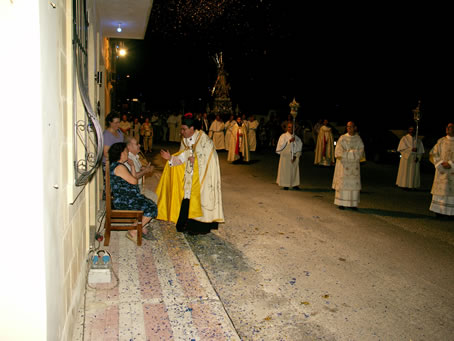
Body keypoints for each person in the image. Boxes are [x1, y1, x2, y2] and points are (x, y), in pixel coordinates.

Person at [157, 113, 224, 235]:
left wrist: (197, 161)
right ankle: (186, 223)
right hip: (189, 177)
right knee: (187, 198)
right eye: (181, 129)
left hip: (202, 178)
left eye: (184, 129)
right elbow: (182, 158)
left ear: (192, 128)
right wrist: (170, 158)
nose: (182, 132)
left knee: (199, 200)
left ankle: (199, 227)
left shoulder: (205, 140)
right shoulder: (185, 140)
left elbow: (211, 160)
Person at [108, 142, 157, 242]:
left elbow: (133, 179)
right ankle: (134, 230)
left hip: (127, 197)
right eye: (126, 151)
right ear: (121, 154)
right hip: (124, 201)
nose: (127, 153)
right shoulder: (119, 167)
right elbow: (134, 181)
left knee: (149, 202)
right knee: (152, 208)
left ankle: (141, 226)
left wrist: (133, 166)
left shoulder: (119, 165)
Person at [332, 121, 365, 210]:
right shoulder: (342, 138)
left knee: (353, 185)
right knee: (343, 184)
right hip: (344, 166)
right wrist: (351, 154)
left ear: (355, 128)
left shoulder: (358, 139)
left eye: (351, 127)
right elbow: (338, 152)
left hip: (354, 167)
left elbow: (361, 152)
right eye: (347, 127)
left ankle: (353, 204)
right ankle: (341, 203)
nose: (349, 128)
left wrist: (350, 153)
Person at [429, 122, 454, 217]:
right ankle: (439, 211)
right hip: (441, 171)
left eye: (450, 127)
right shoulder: (441, 141)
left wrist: (451, 164)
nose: (448, 128)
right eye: (447, 127)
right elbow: (433, 154)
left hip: (452, 172)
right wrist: (440, 163)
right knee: (441, 192)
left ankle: (450, 213)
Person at [125, 136, 157, 202]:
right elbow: (133, 176)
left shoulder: (135, 157)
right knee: (154, 198)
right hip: (131, 191)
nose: (139, 145)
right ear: (129, 147)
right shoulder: (127, 159)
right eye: (137, 144)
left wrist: (146, 169)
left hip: (138, 187)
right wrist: (145, 171)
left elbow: (138, 170)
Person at [276, 122, 303, 190]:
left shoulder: (297, 138)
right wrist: (289, 141)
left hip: (294, 157)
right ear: (286, 128)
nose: (291, 129)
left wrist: (296, 155)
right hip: (286, 157)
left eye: (292, 127)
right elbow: (280, 147)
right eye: (289, 127)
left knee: (294, 170)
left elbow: (299, 147)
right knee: (286, 171)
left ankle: (294, 184)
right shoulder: (283, 136)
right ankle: (286, 184)